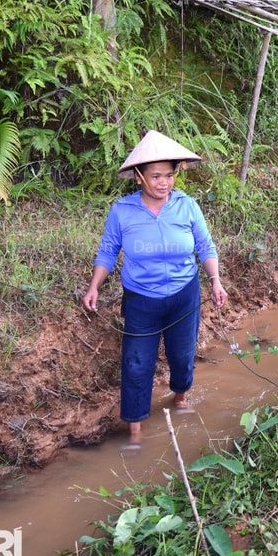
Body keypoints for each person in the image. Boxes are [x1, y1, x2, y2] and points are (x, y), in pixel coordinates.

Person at [81, 130, 229, 449]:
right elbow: (108, 251)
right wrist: (94, 286)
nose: (164, 182)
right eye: (156, 176)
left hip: (184, 296)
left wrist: (215, 280)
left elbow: (205, 246)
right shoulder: (123, 211)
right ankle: (134, 434)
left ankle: (180, 399)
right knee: (136, 363)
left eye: (170, 175)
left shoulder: (187, 207)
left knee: (182, 354)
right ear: (138, 177)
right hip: (141, 301)